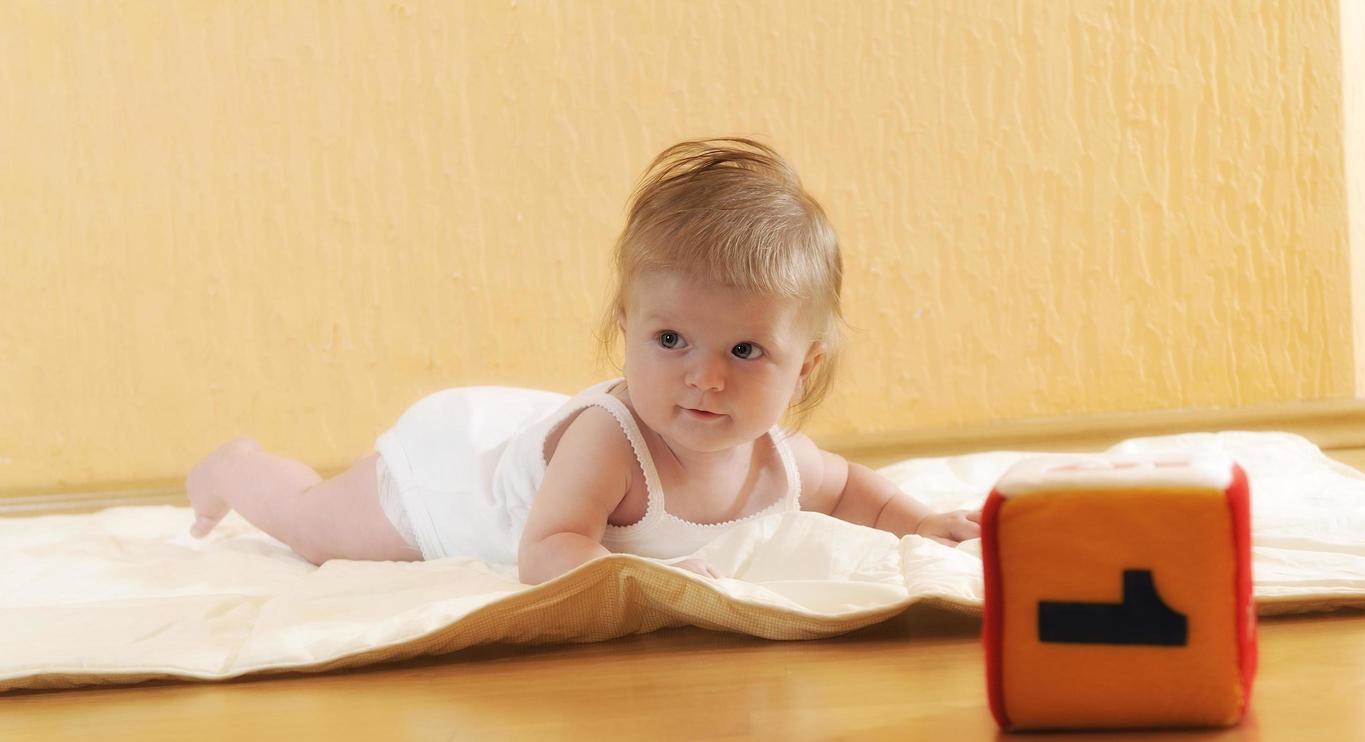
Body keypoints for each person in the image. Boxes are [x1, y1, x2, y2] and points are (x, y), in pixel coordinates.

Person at [187, 137, 981, 584]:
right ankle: (237, 469)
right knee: (314, 529)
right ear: (627, 327)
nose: (705, 378)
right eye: (671, 342)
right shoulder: (612, 444)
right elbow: (549, 546)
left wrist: (919, 522)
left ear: (802, 371)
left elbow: (853, 492)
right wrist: (647, 588)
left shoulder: (781, 459)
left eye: (745, 351)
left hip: (514, 436)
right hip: (457, 480)